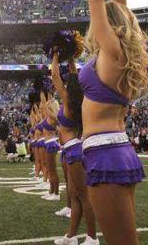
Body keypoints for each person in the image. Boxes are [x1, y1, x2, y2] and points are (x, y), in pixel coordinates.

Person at [81, 0, 148, 245]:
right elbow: (118, 4)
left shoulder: (112, 52)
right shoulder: (117, 55)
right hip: (112, 148)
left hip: (106, 152)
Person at [51, 53, 99, 245]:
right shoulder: (80, 101)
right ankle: (71, 236)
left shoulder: (69, 102)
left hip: (75, 150)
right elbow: (71, 77)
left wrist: (54, 54)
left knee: (84, 197)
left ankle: (92, 237)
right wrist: (70, 58)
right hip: (73, 149)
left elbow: (55, 77)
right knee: (75, 195)